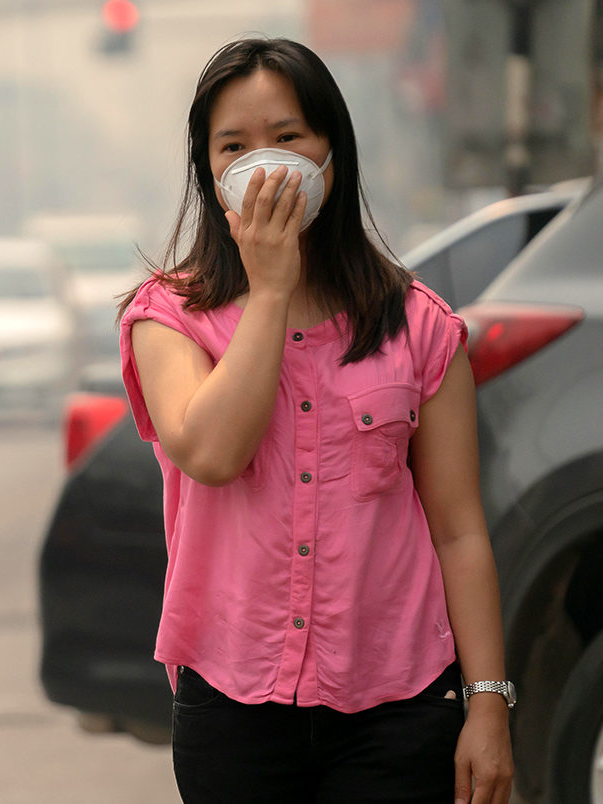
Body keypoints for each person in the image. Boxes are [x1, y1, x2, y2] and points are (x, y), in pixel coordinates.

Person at [117, 38, 514, 804]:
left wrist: (489, 702)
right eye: (234, 146)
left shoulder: (419, 327)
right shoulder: (169, 316)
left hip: (397, 709)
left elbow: (458, 530)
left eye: (288, 137)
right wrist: (269, 291)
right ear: (209, 172)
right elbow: (210, 452)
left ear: (334, 153)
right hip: (231, 707)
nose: (264, 164)